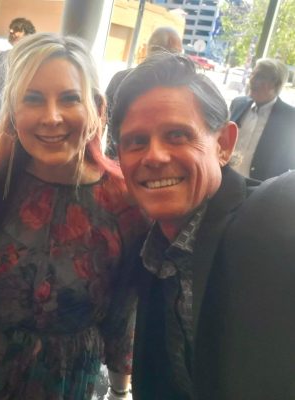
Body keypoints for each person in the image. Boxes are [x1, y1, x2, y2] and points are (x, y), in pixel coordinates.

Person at [0, 33, 147, 400]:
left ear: (97, 110)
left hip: (67, 380)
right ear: (13, 112)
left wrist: (119, 390)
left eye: (69, 99)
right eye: (33, 99)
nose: (51, 117)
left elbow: (125, 308)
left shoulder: (124, 199)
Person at [111, 52, 295, 399]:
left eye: (177, 135)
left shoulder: (273, 228)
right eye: (136, 141)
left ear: (224, 144)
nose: (154, 156)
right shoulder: (149, 248)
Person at [105, 26, 182, 158]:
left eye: (176, 53)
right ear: (151, 50)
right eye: (172, 52)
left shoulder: (183, 89)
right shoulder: (120, 79)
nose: (174, 59)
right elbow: (101, 120)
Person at [229, 58, 295, 180]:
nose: (252, 80)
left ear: (276, 84)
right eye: (253, 74)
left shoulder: (290, 118)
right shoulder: (238, 104)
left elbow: (290, 162)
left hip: (258, 187)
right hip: (225, 177)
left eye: (260, 77)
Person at [0, 17, 35, 136]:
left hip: (17, 123)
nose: (12, 32)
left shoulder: (32, 61)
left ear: (28, 34)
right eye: (11, 30)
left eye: (17, 30)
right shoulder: (2, 56)